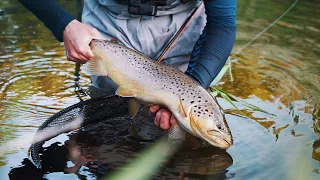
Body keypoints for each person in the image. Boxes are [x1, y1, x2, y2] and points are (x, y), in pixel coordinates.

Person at [17, 0, 237, 131]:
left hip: (183, 18)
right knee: (107, 115)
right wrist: (64, 24)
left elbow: (222, 22)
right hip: (108, 14)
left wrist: (192, 87)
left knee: (180, 126)